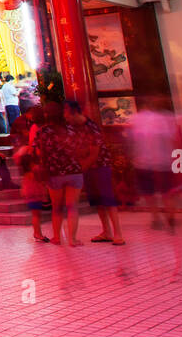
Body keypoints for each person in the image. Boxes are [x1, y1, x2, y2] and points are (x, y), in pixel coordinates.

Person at [68, 102, 125, 245]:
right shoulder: (74, 128)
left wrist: (79, 169)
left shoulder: (91, 127)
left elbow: (95, 152)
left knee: (108, 199)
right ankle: (106, 231)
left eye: (66, 113)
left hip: (100, 166)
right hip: (87, 168)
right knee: (98, 201)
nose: (65, 116)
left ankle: (118, 233)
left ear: (74, 112)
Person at [34, 101, 84, 246]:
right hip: (74, 170)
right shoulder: (72, 129)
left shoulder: (42, 132)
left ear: (46, 115)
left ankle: (57, 237)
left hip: (54, 172)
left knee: (56, 207)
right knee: (72, 206)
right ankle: (72, 239)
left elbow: (38, 152)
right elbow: (80, 149)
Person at [129, 99, 179, 230]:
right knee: (167, 191)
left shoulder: (137, 119)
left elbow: (132, 141)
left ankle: (156, 218)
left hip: (143, 162)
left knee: (149, 192)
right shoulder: (168, 118)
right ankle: (171, 216)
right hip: (165, 161)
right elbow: (175, 140)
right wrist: (179, 164)